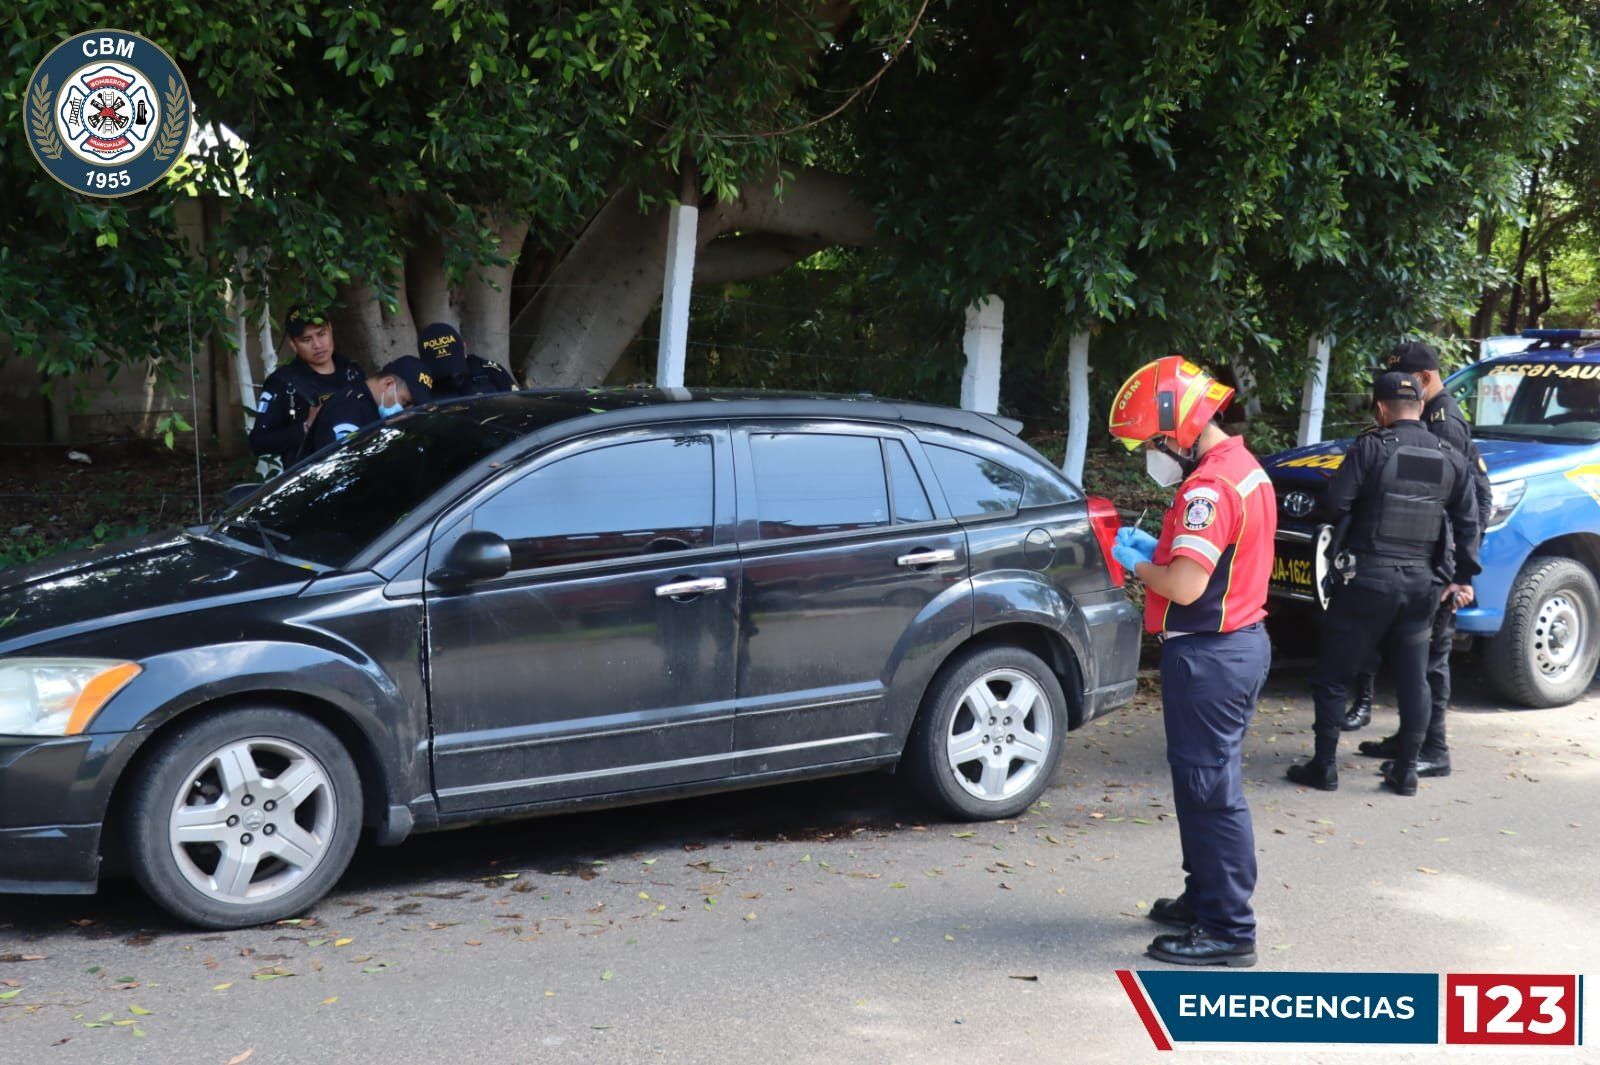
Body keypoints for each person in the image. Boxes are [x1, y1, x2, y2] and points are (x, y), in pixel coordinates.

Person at [1108, 356, 1276, 968]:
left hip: (1211, 652)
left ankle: (1229, 929)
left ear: (1176, 428)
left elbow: (1183, 585)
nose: (1148, 454)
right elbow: (1215, 562)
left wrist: (1138, 564)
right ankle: (1205, 895)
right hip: (1232, 644)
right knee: (1202, 785)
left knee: (1211, 791)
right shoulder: (1240, 468)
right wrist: (1158, 549)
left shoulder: (1209, 489)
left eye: (1151, 443)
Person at [1287, 372, 1480, 796]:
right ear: (1421, 406)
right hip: (1422, 586)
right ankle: (1406, 770)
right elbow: (1469, 522)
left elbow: (1335, 504)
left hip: (1368, 581)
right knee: (1414, 677)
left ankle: (1324, 766)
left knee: (1335, 673)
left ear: (1379, 409)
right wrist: (1462, 577)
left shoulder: (1372, 448)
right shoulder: (1451, 455)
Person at [1343, 343, 1491, 788]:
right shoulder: (1429, 416)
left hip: (1434, 558)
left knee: (1431, 659)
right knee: (1409, 657)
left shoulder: (1444, 422)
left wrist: (1456, 573)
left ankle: (1433, 749)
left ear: (1424, 379)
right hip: (1421, 555)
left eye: (1408, 380)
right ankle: (1411, 737)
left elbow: (1457, 501)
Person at [249, 306, 367, 467]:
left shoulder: (352, 371)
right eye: (306, 340)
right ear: (293, 344)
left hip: (357, 468)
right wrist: (305, 427)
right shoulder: (283, 383)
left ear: (330, 330)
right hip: (311, 479)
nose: (317, 345)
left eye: (321, 334)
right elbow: (258, 442)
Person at [303, 355, 435, 455]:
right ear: (388, 384)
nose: (408, 411)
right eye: (405, 402)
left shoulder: (368, 404)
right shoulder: (349, 409)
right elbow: (346, 460)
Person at [417, 322, 516, 398]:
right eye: (442, 374)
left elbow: (518, 404)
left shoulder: (489, 372)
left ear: (464, 349)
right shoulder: (420, 385)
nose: (451, 377)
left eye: (455, 370)